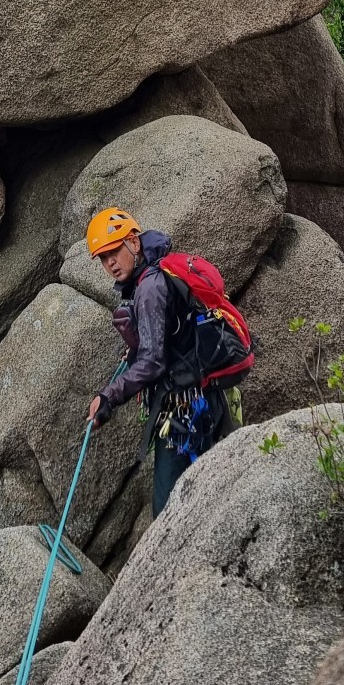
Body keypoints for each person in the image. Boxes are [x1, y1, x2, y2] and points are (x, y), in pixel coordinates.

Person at [85, 206, 242, 517]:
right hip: (204, 399)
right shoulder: (157, 274)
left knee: (168, 510)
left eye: (113, 251)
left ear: (133, 241)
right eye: (103, 258)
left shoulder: (150, 287)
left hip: (183, 411)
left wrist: (109, 396)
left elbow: (154, 362)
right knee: (210, 494)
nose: (110, 263)